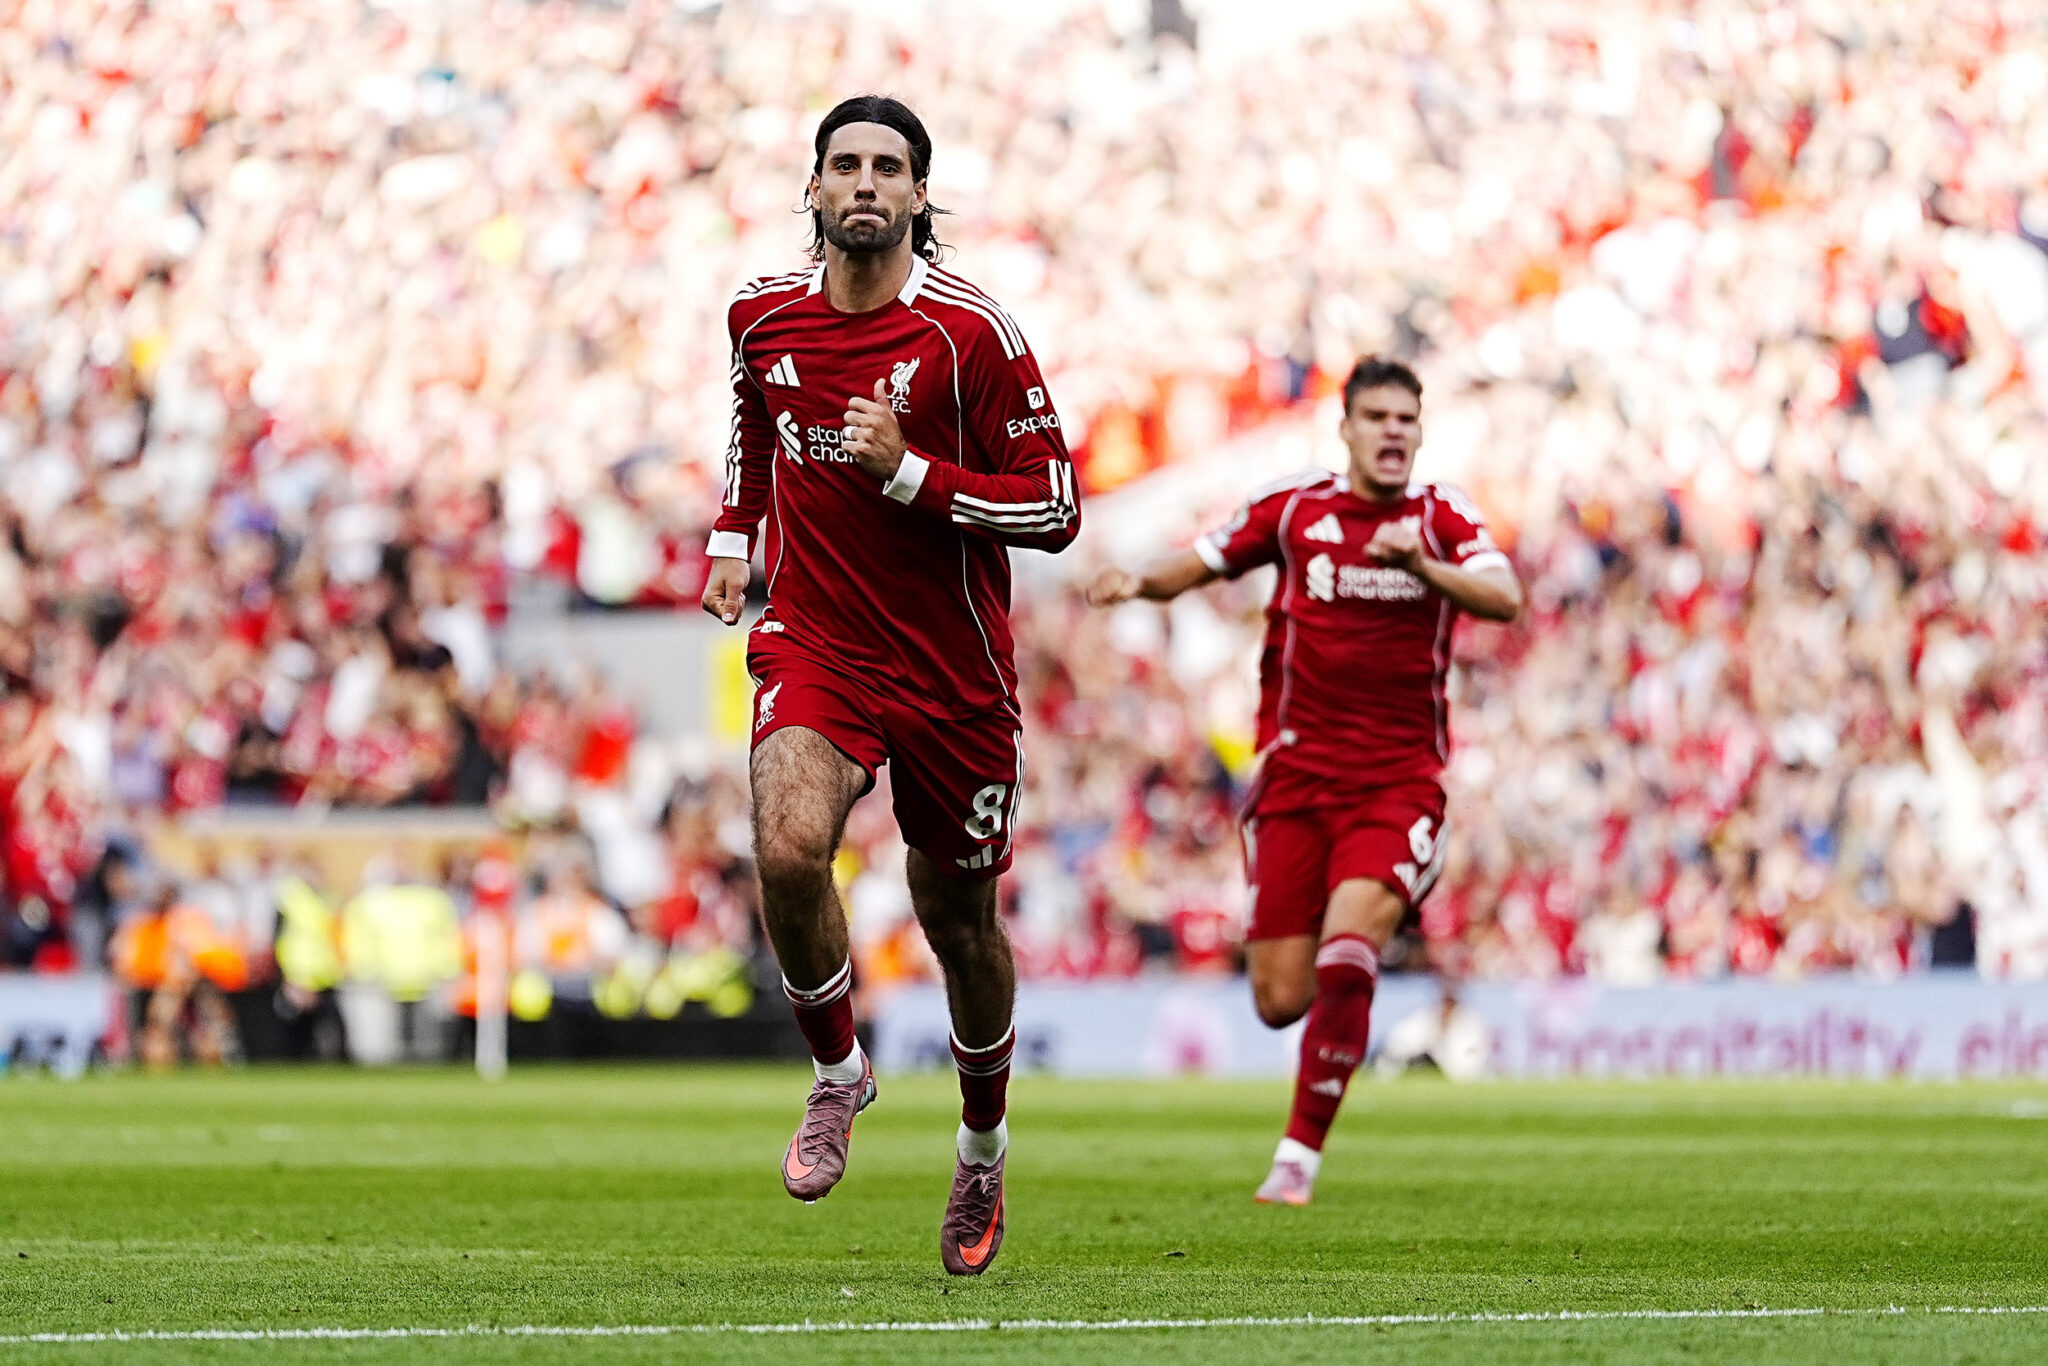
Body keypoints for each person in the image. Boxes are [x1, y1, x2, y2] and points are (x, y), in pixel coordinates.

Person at [700, 94, 1080, 1274]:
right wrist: (732, 533)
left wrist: (910, 474)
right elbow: (753, 417)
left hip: (952, 674)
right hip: (817, 642)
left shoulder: (970, 334)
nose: (863, 182)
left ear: (919, 193)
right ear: (813, 187)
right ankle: (837, 1071)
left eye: (887, 167)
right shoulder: (760, 315)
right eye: (844, 164)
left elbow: (1055, 505)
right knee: (785, 847)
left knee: (958, 922)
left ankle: (981, 1148)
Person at [1087, 356, 1520, 1204]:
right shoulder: (1294, 508)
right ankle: (1346, 972)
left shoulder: (1440, 517)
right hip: (1295, 783)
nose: (1393, 431)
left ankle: (1297, 1157)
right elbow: (1202, 560)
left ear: (1420, 432)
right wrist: (1137, 580)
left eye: (1407, 419)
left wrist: (1423, 569)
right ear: (1347, 428)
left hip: (1398, 784)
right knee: (1281, 998)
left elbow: (1504, 597)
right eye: (1378, 417)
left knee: (1350, 949)